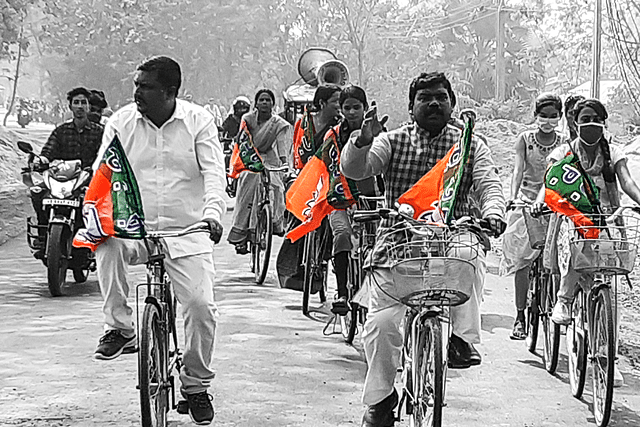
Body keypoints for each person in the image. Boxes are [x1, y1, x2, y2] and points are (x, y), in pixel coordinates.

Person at [340, 72, 506, 427]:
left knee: (470, 255)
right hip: (398, 243)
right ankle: (382, 401)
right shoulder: (392, 141)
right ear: (411, 106)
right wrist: (362, 142)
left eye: (441, 97)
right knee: (382, 325)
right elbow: (357, 170)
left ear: (452, 104)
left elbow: (489, 182)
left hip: (451, 239)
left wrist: (492, 212)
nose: (434, 103)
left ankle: (461, 341)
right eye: (425, 97)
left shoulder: (469, 145)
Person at [92, 56, 225, 425]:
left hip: (187, 232)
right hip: (133, 229)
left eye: (145, 86)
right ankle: (120, 327)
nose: (136, 92)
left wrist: (213, 214)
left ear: (170, 92)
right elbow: (102, 173)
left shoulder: (199, 121)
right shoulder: (120, 123)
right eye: (136, 85)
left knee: (201, 308)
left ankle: (196, 385)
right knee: (106, 243)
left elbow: (215, 172)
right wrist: (97, 214)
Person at [536, 98, 640, 388]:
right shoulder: (563, 152)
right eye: (585, 118)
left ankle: (608, 357)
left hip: (607, 217)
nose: (590, 122)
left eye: (596, 118)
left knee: (610, 292)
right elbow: (550, 182)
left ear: (603, 122)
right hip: (573, 216)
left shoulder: (613, 152)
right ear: (575, 122)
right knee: (574, 250)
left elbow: (627, 183)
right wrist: (538, 201)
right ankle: (564, 299)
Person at [502, 93, 566, 340]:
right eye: (543, 116)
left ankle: (560, 304)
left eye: (553, 116)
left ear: (559, 117)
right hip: (527, 204)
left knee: (559, 262)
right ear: (536, 116)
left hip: (554, 204)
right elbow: (518, 170)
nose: (548, 121)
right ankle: (520, 316)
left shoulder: (563, 143)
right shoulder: (525, 140)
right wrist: (513, 197)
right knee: (524, 263)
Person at [325, 85, 381, 314]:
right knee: (342, 236)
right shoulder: (333, 136)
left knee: (375, 246)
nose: (351, 112)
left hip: (369, 198)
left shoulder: (378, 133)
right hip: (339, 199)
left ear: (365, 108)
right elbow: (325, 166)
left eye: (356, 107)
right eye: (347, 107)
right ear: (341, 109)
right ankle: (342, 293)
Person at [29, 87, 104, 253]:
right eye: (76, 103)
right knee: (37, 192)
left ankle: (95, 236)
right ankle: (43, 236)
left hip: (89, 180)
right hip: (62, 179)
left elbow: (106, 154)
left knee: (100, 201)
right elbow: (48, 151)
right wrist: (42, 160)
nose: (79, 106)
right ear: (70, 107)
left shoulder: (100, 132)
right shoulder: (60, 131)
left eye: (83, 103)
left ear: (89, 107)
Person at [227, 89, 292, 254]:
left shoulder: (278, 123)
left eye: (268, 100)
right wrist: (250, 161)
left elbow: (281, 144)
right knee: (249, 182)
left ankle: (272, 223)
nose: (264, 103)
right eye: (261, 100)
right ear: (256, 103)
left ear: (273, 103)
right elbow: (242, 142)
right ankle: (242, 232)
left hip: (269, 157)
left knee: (277, 186)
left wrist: (284, 163)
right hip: (249, 155)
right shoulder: (247, 120)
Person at [292, 84, 342, 171]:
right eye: (335, 101)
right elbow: (296, 149)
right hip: (306, 174)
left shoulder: (339, 125)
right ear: (322, 103)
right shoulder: (303, 123)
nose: (340, 105)